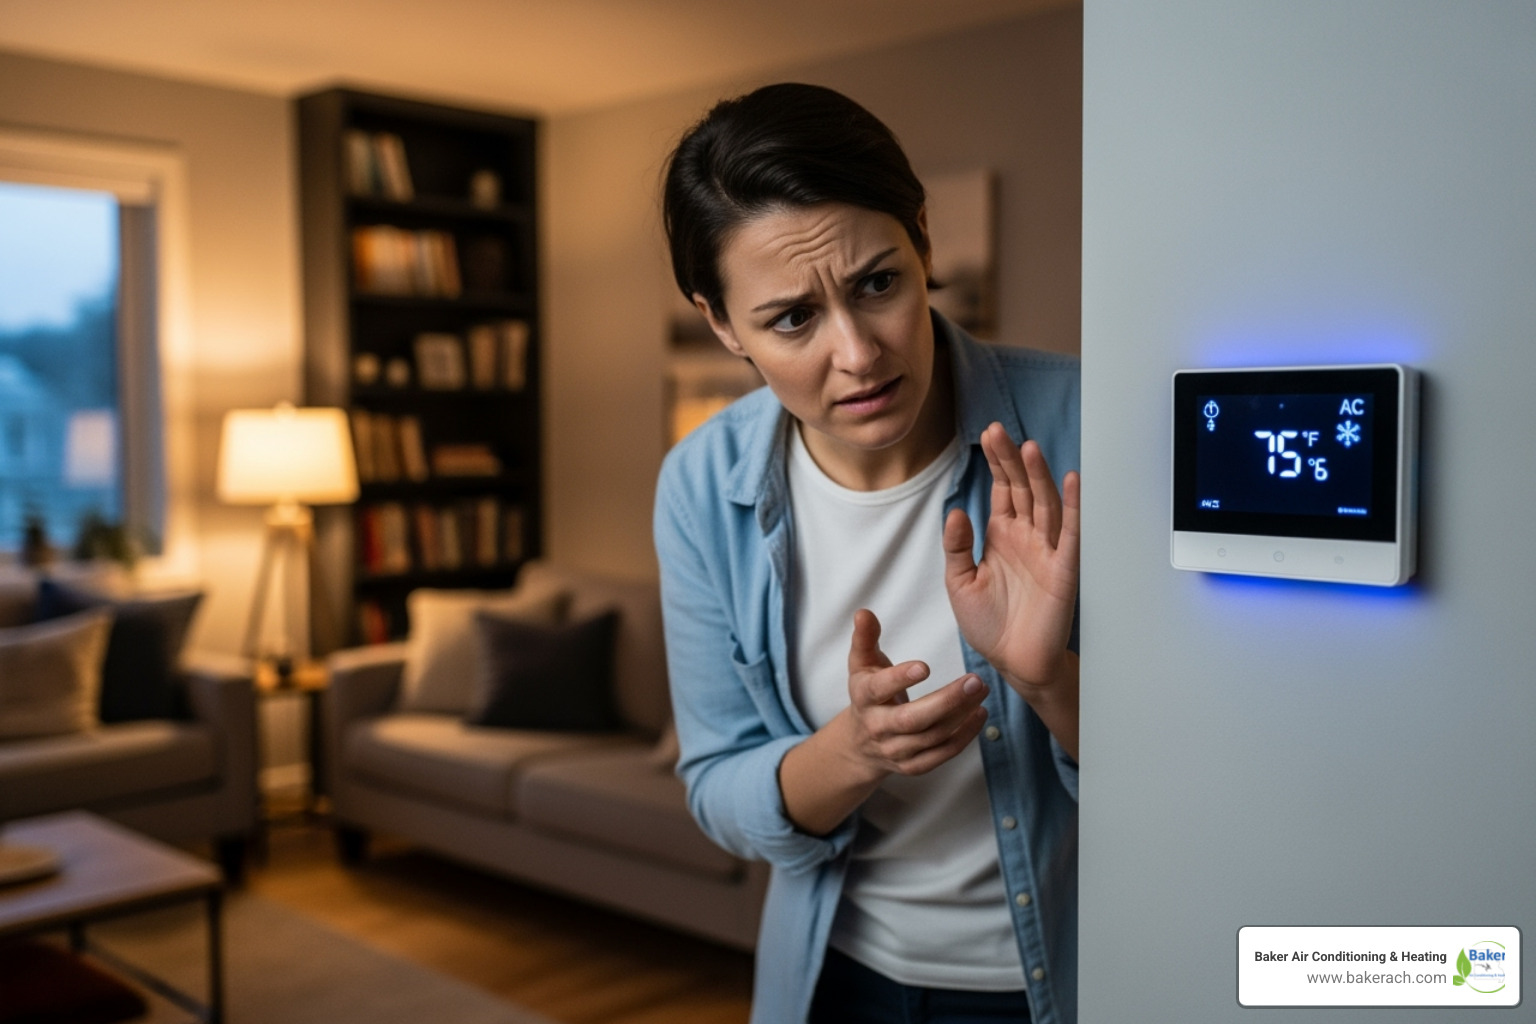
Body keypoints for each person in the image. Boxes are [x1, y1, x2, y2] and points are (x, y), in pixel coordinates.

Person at [654, 82, 1080, 1024]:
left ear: (922, 240)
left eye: (878, 284)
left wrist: (1051, 679)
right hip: (832, 979)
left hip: (1063, 983)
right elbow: (718, 785)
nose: (857, 352)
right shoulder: (700, 485)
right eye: (791, 319)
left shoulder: (1081, 429)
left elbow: (1203, 779)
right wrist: (854, 750)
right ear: (722, 323)